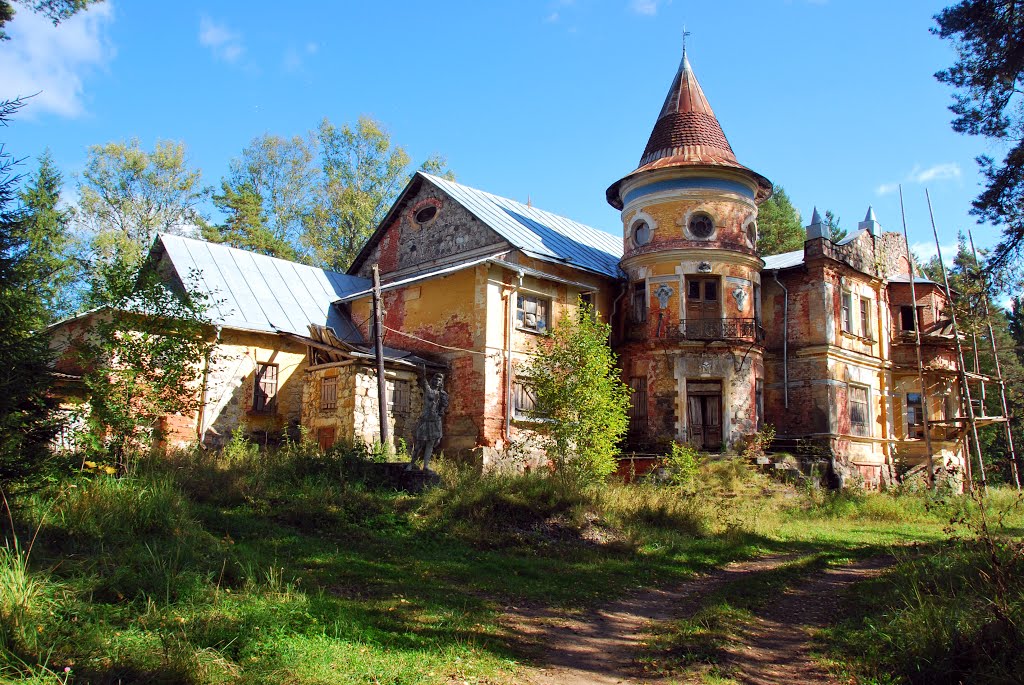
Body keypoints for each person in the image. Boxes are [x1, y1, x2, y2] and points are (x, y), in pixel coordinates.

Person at [410, 368, 448, 471]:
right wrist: (423, 373)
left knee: (431, 444)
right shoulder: (428, 390)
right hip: (425, 421)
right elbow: (424, 382)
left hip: (435, 422)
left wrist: (441, 410)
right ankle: (411, 463)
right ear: (433, 381)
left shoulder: (443, 394)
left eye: (439, 380)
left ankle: (426, 465)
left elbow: (443, 408)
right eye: (435, 379)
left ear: (441, 383)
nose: (437, 382)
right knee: (419, 444)